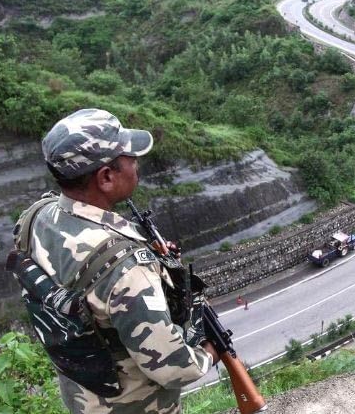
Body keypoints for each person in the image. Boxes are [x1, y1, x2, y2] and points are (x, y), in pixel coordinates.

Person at [18, 108, 219, 413]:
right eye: (130, 159)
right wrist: (210, 351)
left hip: (83, 398)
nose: (136, 164)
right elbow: (175, 368)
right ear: (107, 177)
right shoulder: (126, 269)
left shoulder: (36, 217)